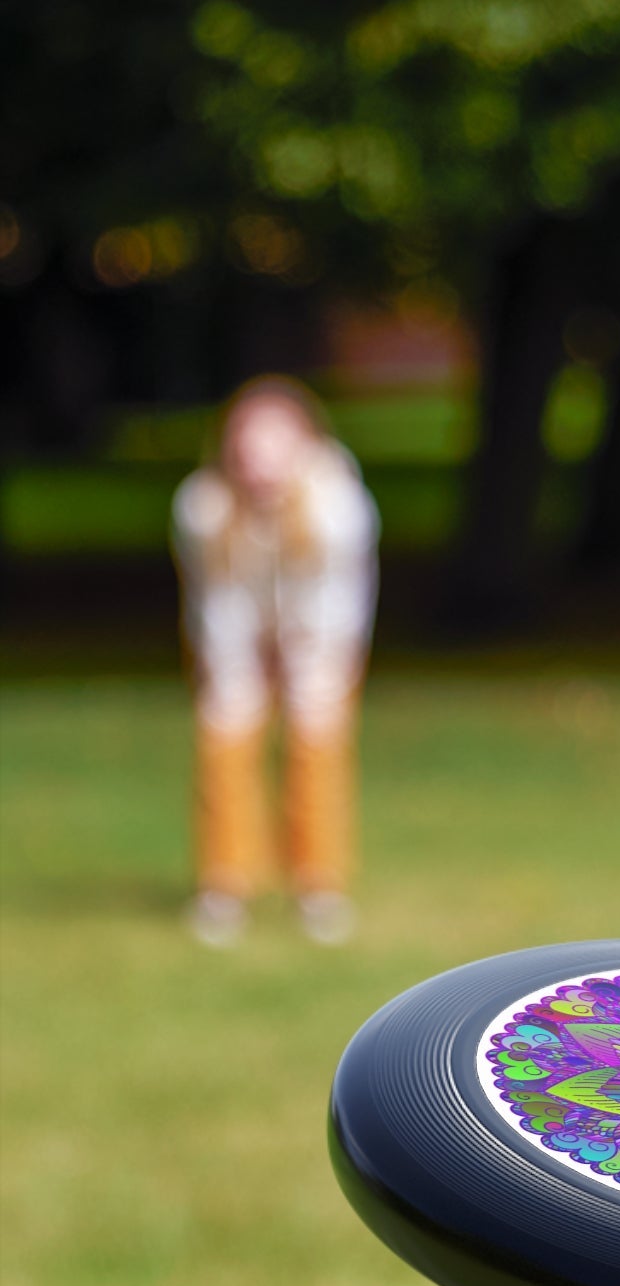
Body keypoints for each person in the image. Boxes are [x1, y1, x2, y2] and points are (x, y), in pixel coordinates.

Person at [172, 376, 379, 948]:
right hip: (234, 635)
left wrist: (305, 661)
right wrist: (237, 668)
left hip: (320, 637)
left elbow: (336, 601)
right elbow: (216, 601)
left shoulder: (338, 505)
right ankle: (225, 885)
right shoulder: (203, 507)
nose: (259, 459)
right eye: (248, 443)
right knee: (225, 737)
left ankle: (319, 886)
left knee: (317, 744)